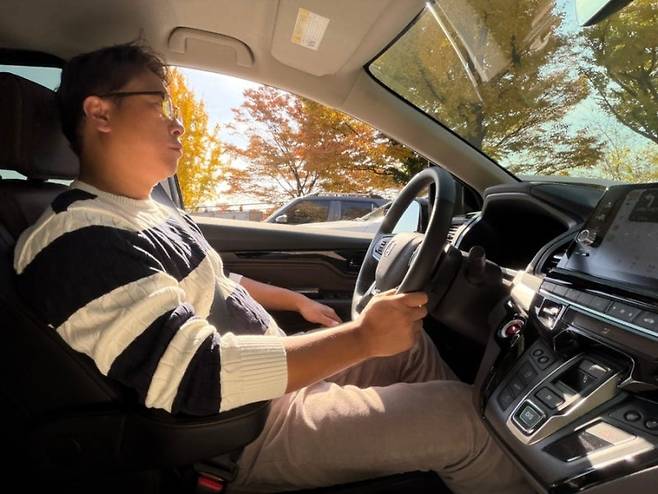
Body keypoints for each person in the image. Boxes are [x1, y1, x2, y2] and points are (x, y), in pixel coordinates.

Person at [13, 42, 532, 494]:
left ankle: (451, 468)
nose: (178, 121)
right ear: (100, 113)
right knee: (464, 419)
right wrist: (361, 338)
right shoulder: (77, 240)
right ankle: (469, 455)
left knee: (410, 347)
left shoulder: (145, 212)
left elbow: (221, 282)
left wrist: (298, 302)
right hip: (240, 431)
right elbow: (196, 376)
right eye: (157, 103)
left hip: (268, 384)